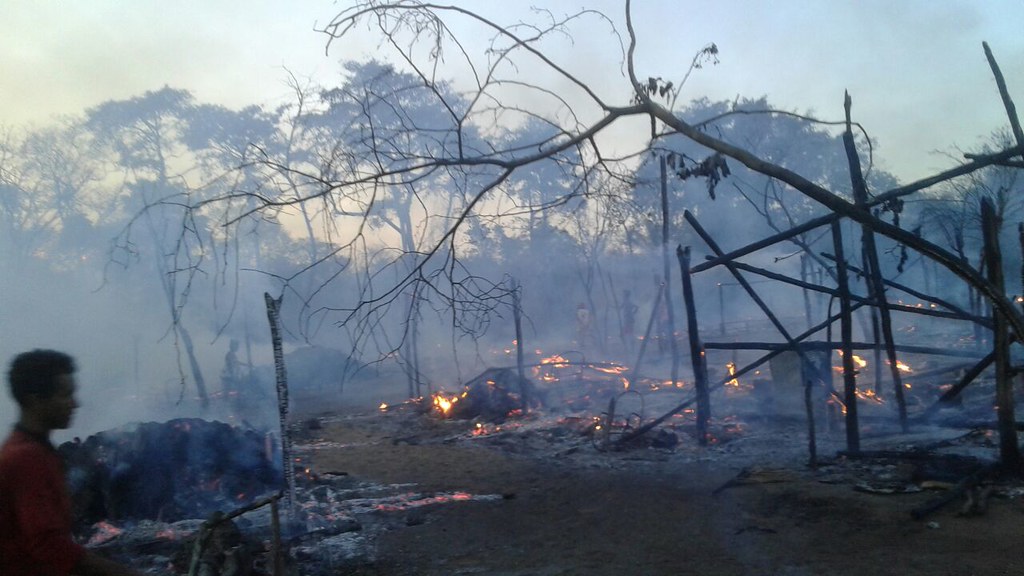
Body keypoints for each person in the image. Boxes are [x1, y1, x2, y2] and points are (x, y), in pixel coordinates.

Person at [0, 349, 141, 576]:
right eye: (65, 395)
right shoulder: (24, 459)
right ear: (35, 400)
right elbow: (47, 545)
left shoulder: (37, 451)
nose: (74, 404)